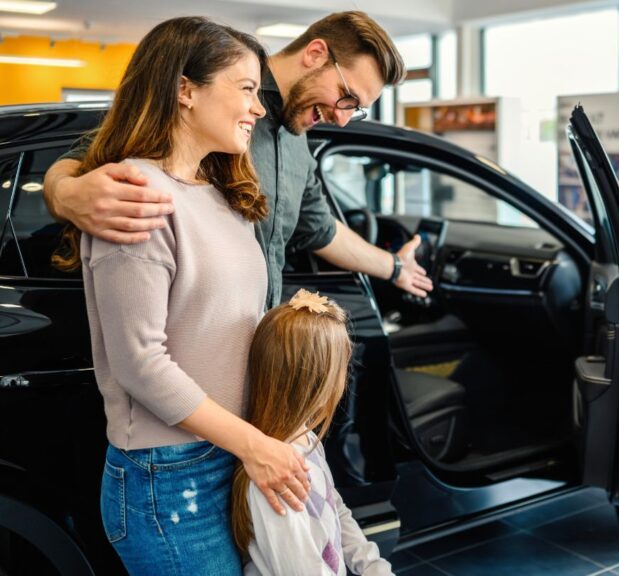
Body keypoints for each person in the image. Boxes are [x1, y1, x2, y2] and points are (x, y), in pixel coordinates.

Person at [62, 17, 316, 575]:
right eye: (246, 88)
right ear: (185, 89)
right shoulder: (134, 194)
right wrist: (254, 444)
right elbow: (140, 364)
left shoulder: (224, 193)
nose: (258, 107)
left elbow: (233, 328)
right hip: (169, 478)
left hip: (230, 453)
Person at [43, 11, 433, 310]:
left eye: (357, 110)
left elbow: (318, 229)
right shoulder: (216, 105)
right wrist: (66, 194)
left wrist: (394, 268)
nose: (343, 117)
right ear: (316, 54)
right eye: (346, 97)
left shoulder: (298, 142)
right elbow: (100, 150)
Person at [233, 289, 392, 576]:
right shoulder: (275, 476)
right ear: (318, 383)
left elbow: (336, 509)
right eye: (343, 368)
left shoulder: (304, 437)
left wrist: (374, 569)